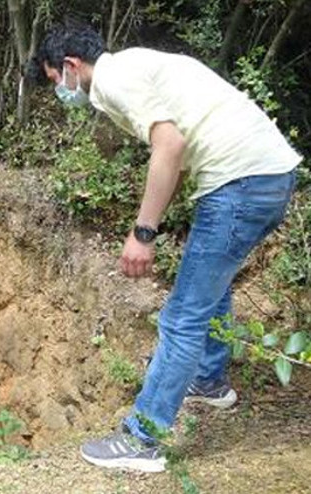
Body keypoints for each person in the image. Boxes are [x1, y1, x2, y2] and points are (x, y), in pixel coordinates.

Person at [29, 23, 303, 473]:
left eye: (56, 79)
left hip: (242, 183)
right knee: (210, 290)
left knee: (182, 316)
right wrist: (149, 225)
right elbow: (173, 159)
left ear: (71, 65)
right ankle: (209, 382)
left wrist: (143, 233)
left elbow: (169, 145)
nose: (60, 90)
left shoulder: (115, 80)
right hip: (266, 178)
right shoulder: (136, 65)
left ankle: (143, 439)